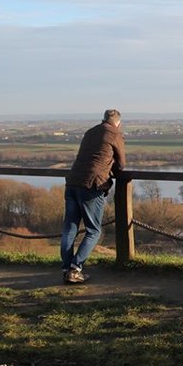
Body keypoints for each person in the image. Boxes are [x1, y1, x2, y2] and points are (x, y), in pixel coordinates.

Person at [60, 109, 126, 284]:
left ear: (103, 119)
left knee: (69, 229)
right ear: (117, 122)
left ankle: (66, 268)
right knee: (93, 231)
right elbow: (121, 164)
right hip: (91, 185)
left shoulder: (90, 131)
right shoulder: (115, 133)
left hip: (72, 182)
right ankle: (75, 269)